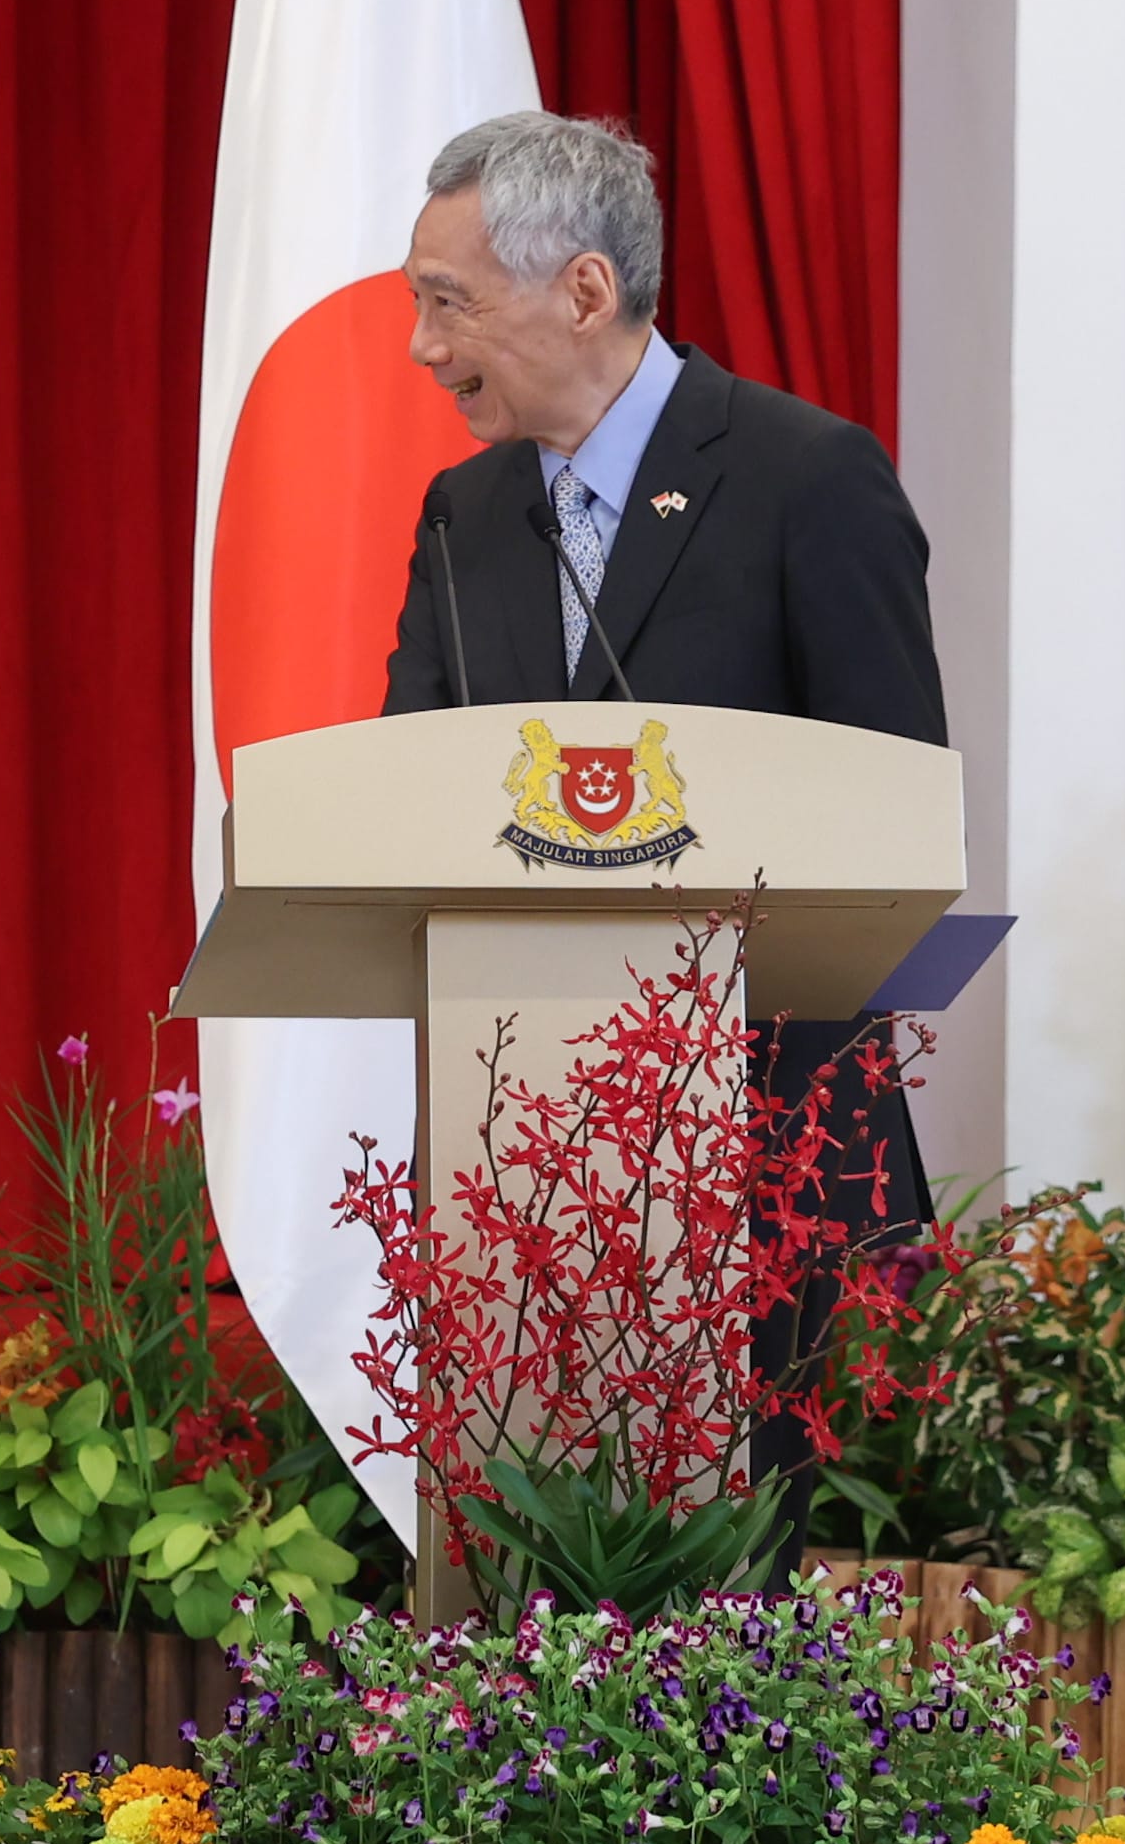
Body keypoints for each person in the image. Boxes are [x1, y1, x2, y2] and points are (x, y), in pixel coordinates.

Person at [377, 107, 944, 1247]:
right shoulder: (467, 514)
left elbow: (897, 817)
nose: (424, 348)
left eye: (451, 301)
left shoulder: (808, 479)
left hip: (778, 1156)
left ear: (584, 294)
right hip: (528, 1155)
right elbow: (409, 793)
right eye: (418, 305)